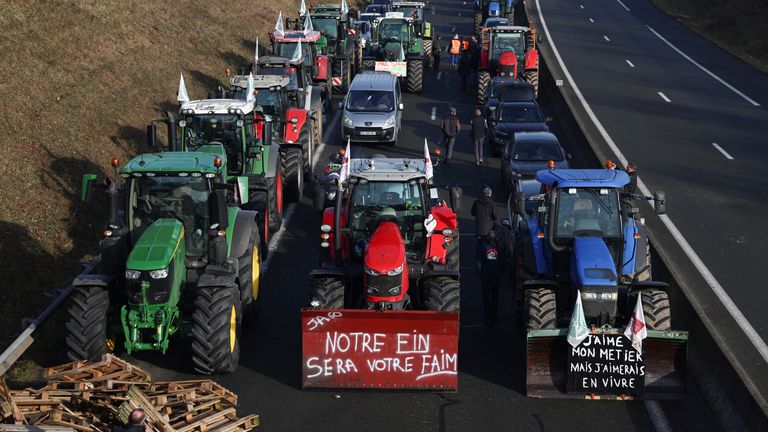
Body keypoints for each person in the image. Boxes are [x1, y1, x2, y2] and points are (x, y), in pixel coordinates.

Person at [479, 230, 504, 326]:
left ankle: (487, 318)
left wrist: (481, 274)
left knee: (486, 297)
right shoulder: (499, 248)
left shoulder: (483, 248)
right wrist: (501, 272)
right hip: (496, 276)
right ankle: (495, 317)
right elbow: (503, 262)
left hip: (486, 275)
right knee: (495, 297)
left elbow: (479, 263)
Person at [471, 186, 498, 266]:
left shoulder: (476, 202)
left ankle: (478, 261)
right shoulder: (492, 203)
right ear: (490, 194)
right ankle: (489, 260)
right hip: (489, 229)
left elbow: (472, 213)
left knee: (479, 244)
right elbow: (495, 216)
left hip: (479, 228)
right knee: (490, 245)